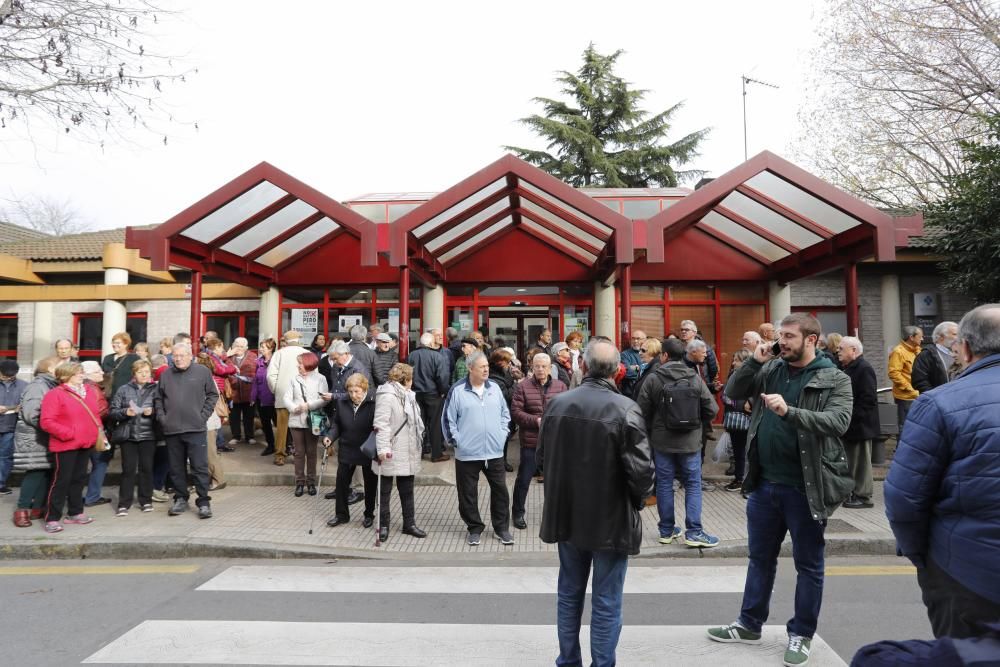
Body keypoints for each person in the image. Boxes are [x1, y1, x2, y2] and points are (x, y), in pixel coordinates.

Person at [707, 313, 853, 667]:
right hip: (764, 484)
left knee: (809, 565)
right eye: (780, 336)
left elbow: (839, 422)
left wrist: (791, 412)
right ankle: (749, 623)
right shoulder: (772, 369)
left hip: (806, 487)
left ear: (812, 340)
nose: (781, 342)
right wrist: (755, 360)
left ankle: (801, 633)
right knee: (759, 559)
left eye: (789, 336)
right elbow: (733, 392)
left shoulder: (834, 378)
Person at [885, 303, 1000, 639]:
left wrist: (923, 555)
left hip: (967, 571)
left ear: (963, 348)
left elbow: (903, 497)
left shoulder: (939, 403)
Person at [538, 339, 655, 667]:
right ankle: (602, 663)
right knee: (606, 599)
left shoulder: (558, 404)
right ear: (618, 371)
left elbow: (543, 459)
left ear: (583, 367)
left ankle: (569, 660)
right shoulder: (625, 408)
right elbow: (642, 473)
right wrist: (637, 502)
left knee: (569, 593)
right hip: (611, 516)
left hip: (568, 513)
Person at [637, 337, 719, 547]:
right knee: (693, 484)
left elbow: (641, 411)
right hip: (690, 443)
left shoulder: (654, 378)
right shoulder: (694, 377)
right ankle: (694, 532)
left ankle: (666, 530)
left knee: (664, 484)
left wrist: (653, 427)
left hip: (662, 442)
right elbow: (713, 410)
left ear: (664, 356)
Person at [443, 352, 512, 547]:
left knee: (500, 490)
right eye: (482, 367)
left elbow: (504, 414)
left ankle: (501, 529)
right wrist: (458, 441)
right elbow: (448, 420)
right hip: (467, 453)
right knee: (468, 493)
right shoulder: (457, 390)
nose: (486, 370)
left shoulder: (495, 388)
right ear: (470, 368)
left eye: (487, 367)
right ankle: (474, 528)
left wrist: (502, 434)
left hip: (494, 451)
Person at [155, 342, 219, 519]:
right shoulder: (166, 374)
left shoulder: (202, 372)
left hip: (195, 428)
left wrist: (203, 415)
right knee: (176, 468)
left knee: (199, 466)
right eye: (175, 356)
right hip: (172, 429)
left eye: (182, 355)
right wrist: (163, 418)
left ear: (190, 356)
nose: (178, 359)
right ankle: (181, 498)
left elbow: (213, 394)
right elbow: (158, 399)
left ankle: (204, 502)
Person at [40, 362, 104, 533]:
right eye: (77, 373)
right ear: (65, 376)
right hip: (65, 444)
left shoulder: (89, 391)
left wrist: (97, 432)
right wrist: (68, 433)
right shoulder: (55, 395)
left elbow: (95, 415)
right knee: (61, 481)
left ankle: (75, 512)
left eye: (82, 372)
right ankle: (52, 518)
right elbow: (46, 422)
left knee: (79, 479)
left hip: (85, 442)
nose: (81, 375)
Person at [510, 353, 566, 530]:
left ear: (550, 368)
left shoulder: (561, 386)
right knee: (523, 480)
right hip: (531, 442)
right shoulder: (523, 387)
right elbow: (516, 412)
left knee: (555, 482)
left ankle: (555, 516)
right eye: (537, 366)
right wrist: (536, 421)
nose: (540, 369)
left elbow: (567, 410)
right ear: (531, 367)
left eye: (544, 366)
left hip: (554, 443)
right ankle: (517, 513)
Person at [372, 362, 427, 542]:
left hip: (408, 448)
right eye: (411, 378)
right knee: (385, 491)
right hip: (391, 449)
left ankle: (409, 524)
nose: (412, 381)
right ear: (406, 379)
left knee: (407, 489)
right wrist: (382, 449)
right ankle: (384, 525)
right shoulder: (387, 395)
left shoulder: (408, 395)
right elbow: (381, 424)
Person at [323, 373, 378, 528]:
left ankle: (369, 514)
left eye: (357, 391)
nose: (353, 395)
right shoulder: (342, 402)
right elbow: (336, 424)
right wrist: (330, 437)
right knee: (341, 482)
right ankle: (341, 515)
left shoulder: (373, 402)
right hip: (347, 446)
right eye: (351, 391)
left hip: (367, 447)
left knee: (370, 483)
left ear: (364, 388)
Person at [11, 357, 59, 528]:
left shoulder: (50, 385)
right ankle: (22, 510)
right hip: (35, 437)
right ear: (50, 369)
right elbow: (32, 414)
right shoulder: (38, 386)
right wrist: (53, 426)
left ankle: (37, 508)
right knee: (35, 472)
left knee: (46, 471)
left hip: (45, 437)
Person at [109, 359, 159, 516]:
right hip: (128, 435)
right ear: (134, 374)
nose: (144, 375)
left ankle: (146, 500)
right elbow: (112, 411)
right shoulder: (124, 389)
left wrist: (154, 412)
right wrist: (125, 412)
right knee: (128, 470)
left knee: (147, 469)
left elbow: (164, 409)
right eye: (140, 372)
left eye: (146, 372)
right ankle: (124, 503)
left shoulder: (156, 389)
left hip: (148, 434)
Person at [837, 336, 879, 509]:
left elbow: (868, 399)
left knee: (861, 463)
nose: (838, 351)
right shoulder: (849, 368)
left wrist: (852, 418)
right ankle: (854, 493)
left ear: (853, 350)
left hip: (860, 426)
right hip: (852, 425)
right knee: (852, 462)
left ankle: (864, 496)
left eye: (841, 348)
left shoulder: (863, 368)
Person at [281, 351, 329, 497]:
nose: (298, 366)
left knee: (312, 452)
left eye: (300, 363)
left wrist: (308, 406)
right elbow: (286, 397)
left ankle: (311, 482)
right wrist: (293, 407)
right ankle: (300, 482)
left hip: (313, 419)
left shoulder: (321, 379)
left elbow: (324, 398)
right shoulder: (294, 379)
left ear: (308, 364)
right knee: (299, 452)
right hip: (296, 419)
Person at [408, 332, 450, 463]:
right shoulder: (437, 356)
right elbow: (442, 377)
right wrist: (443, 391)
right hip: (433, 394)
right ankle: (436, 454)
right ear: (431, 343)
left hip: (416, 394)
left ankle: (418, 452)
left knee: (418, 423)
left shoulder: (411, 355)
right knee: (435, 424)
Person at [266, 330, 307, 466]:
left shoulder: (279, 353)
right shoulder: (305, 353)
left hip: (283, 394)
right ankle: (299, 454)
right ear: (298, 340)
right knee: (300, 427)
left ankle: (279, 455)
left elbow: (271, 376)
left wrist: (276, 390)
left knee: (282, 427)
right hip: (301, 394)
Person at [81, 360, 112, 508]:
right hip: (96, 432)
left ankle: (83, 495)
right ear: (88, 374)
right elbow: (98, 411)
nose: (101, 373)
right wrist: (110, 411)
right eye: (97, 371)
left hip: (85, 431)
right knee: (100, 462)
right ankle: (92, 496)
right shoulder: (92, 388)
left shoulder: (83, 387)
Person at [721, 349, 753, 492]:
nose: (733, 363)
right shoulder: (734, 374)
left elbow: (758, 393)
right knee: (738, 451)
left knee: (748, 452)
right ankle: (739, 479)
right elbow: (727, 394)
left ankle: (746, 480)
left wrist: (740, 403)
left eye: (736, 360)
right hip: (735, 420)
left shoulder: (753, 375)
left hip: (747, 419)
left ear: (745, 361)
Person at [200, 337, 237, 453]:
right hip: (215, 390)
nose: (223, 349)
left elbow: (220, 360)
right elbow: (221, 369)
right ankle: (217, 444)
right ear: (216, 347)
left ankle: (218, 443)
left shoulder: (212, 356)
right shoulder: (211, 357)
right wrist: (233, 368)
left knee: (218, 416)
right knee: (218, 415)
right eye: (221, 347)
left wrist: (227, 355)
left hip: (217, 388)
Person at [0, 359, 27, 495]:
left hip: (10, 426)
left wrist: (20, 408)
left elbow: (27, 405)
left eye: (11, 376)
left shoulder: (24, 386)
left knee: (5, 456)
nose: (8, 378)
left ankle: (0, 484)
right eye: (5, 376)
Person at [888, 325, 923, 427]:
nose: (922, 338)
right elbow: (894, 373)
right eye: (920, 336)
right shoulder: (898, 351)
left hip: (918, 395)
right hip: (905, 398)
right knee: (905, 427)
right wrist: (909, 388)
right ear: (911, 337)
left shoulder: (918, 350)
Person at [226, 337, 258, 447]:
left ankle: (250, 436)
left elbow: (256, 373)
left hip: (248, 391)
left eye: (241, 346)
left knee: (249, 416)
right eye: (236, 345)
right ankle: (236, 436)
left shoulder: (253, 357)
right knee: (234, 415)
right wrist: (226, 355)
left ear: (246, 348)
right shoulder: (228, 357)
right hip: (233, 391)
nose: (238, 348)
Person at [911, 320, 958, 394]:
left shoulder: (960, 353)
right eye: (955, 334)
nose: (959, 337)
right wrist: (935, 396)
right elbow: (919, 381)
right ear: (941, 337)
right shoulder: (926, 355)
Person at [252, 338, 277, 457]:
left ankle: (287, 445)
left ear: (271, 348)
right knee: (266, 424)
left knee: (279, 424)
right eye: (260, 346)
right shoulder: (258, 362)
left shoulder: (277, 361)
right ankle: (271, 445)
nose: (260, 349)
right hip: (261, 399)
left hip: (275, 399)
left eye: (263, 347)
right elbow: (255, 381)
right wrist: (253, 397)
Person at [102, 331, 141, 400]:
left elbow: (139, 376)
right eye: (113, 342)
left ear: (126, 344)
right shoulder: (107, 358)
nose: (114, 345)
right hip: (108, 395)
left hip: (125, 396)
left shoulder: (134, 358)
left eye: (118, 343)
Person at [620, 330, 647, 398]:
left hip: (645, 393)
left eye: (638, 338)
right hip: (630, 394)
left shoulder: (649, 353)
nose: (635, 341)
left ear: (645, 340)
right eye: (633, 338)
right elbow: (627, 372)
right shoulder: (625, 354)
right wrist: (644, 368)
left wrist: (638, 368)